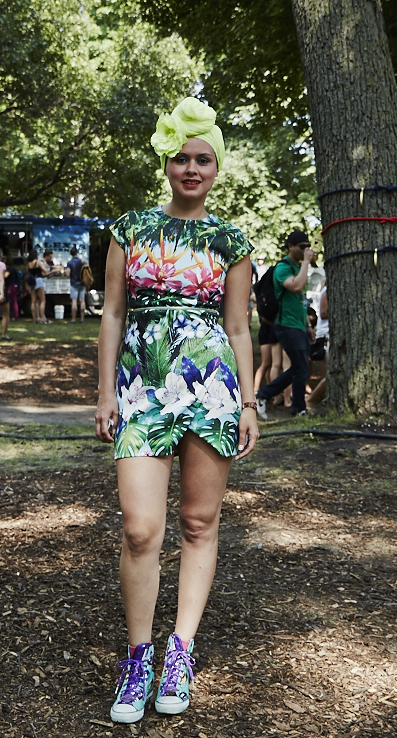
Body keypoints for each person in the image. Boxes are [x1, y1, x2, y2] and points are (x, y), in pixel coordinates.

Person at [94, 97, 258, 724]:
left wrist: (247, 401)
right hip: (140, 387)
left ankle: (180, 650)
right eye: (182, 158)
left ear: (216, 167)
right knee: (140, 527)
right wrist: (105, 390)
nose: (192, 169)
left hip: (211, 388)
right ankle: (138, 657)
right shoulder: (129, 230)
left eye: (203, 159)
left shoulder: (232, 241)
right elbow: (111, 313)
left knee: (198, 522)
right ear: (166, 162)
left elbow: (239, 326)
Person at [255, 230, 316, 419]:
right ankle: (276, 399)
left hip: (298, 325)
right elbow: (296, 286)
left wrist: (308, 326)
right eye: (302, 246)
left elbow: (301, 298)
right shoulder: (283, 267)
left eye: (308, 246)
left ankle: (293, 406)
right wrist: (306, 262)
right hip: (285, 324)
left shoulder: (298, 268)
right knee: (301, 367)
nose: (306, 250)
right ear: (290, 247)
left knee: (300, 367)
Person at [25, 250, 47, 323]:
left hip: (31, 282)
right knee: (42, 301)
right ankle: (42, 318)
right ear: (36, 255)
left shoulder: (28, 264)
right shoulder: (38, 262)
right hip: (39, 280)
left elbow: (27, 272)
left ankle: (34, 319)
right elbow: (45, 270)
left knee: (33, 301)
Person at [67, 246, 86, 323]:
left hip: (74, 284)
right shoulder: (82, 262)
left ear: (71, 254)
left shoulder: (70, 263)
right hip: (82, 283)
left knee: (74, 301)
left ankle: (73, 319)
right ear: (77, 253)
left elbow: (68, 274)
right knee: (82, 301)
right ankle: (82, 319)